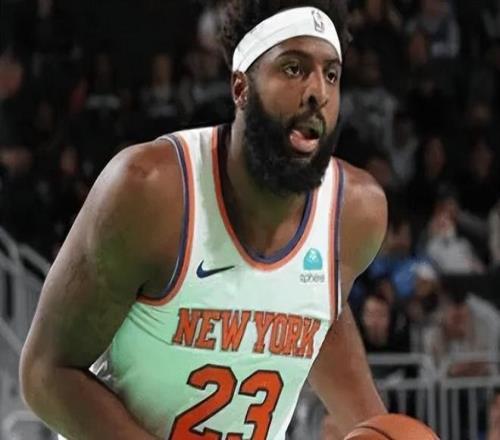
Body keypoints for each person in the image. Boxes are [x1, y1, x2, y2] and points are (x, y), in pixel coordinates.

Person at [19, 2, 388, 439]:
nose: (317, 92)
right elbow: (46, 372)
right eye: (293, 69)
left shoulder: (356, 214)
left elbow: (316, 309)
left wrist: (376, 426)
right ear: (240, 88)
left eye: (331, 74)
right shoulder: (151, 191)